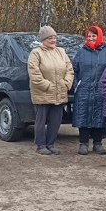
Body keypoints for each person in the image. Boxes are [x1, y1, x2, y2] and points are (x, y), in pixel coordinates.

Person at [27, 26, 74, 155]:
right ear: (43, 40)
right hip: (43, 93)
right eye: (49, 38)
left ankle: (51, 144)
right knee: (41, 121)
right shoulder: (36, 53)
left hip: (60, 92)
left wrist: (66, 84)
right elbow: (34, 73)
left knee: (56, 120)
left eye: (54, 37)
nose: (53, 40)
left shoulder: (61, 52)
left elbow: (69, 69)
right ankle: (41, 145)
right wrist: (47, 86)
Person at [72, 25, 106, 155]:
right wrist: (76, 85)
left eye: (94, 36)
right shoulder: (81, 52)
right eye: (89, 36)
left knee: (100, 116)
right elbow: (74, 69)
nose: (91, 38)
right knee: (83, 115)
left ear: (99, 36)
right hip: (84, 89)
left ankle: (98, 143)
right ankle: (83, 143)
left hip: (101, 90)